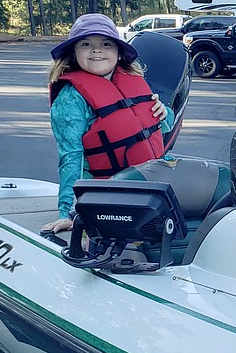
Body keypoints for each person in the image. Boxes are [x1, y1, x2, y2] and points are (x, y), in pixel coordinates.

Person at [42, 13, 175, 235]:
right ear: (74, 53)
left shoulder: (133, 82)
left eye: (106, 43)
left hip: (151, 183)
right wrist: (67, 212)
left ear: (118, 52)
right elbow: (70, 157)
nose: (97, 50)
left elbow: (163, 126)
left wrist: (165, 113)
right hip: (106, 191)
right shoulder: (70, 100)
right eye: (86, 44)